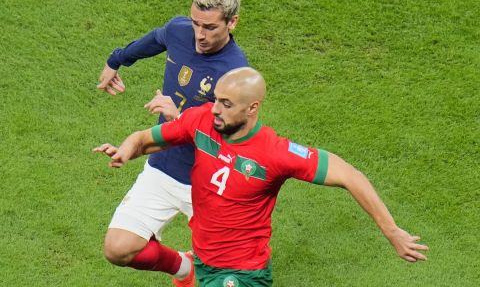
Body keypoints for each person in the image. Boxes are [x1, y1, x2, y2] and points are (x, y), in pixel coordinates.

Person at [94, 67, 429, 287]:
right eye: (216, 101)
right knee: (120, 249)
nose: (216, 110)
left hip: (243, 273)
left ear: (252, 108)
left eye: (226, 104)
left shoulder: (275, 153)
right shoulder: (201, 121)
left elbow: (349, 175)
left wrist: (392, 231)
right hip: (207, 262)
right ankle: (186, 268)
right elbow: (145, 139)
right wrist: (127, 150)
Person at [96, 0, 248, 286]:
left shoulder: (236, 74)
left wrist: (180, 118)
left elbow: (230, 145)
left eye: (209, 28)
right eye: (196, 24)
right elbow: (156, 38)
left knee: (231, 278)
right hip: (164, 169)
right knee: (118, 248)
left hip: (209, 183)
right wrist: (116, 61)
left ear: (232, 22)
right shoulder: (181, 31)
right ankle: (185, 269)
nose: (199, 36)